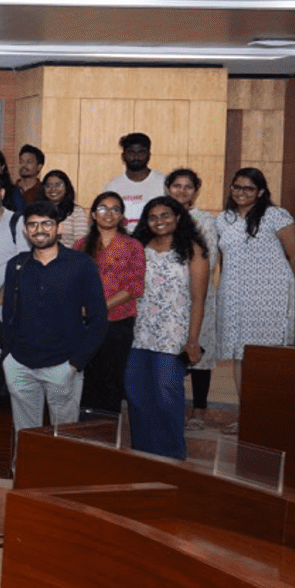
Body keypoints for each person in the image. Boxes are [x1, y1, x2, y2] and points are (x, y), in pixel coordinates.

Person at [0, 201, 110, 430]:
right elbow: (9, 314)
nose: (39, 229)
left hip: (62, 366)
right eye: (33, 224)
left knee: (63, 440)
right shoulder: (16, 265)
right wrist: (8, 358)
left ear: (58, 228)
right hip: (20, 367)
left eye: (47, 223)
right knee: (26, 437)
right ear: (25, 230)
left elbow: (98, 318)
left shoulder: (81, 264)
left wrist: (75, 364)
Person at [210, 166, 295, 414]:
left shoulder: (276, 215)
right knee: (240, 354)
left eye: (248, 188)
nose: (241, 192)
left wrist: (288, 294)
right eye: (236, 187)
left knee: (265, 353)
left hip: (270, 295)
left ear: (260, 192)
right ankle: (246, 413)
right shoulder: (223, 219)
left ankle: (268, 414)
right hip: (235, 294)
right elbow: (219, 259)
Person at [126, 197, 209, 459]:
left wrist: (192, 341)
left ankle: (172, 457)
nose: (159, 221)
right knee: (137, 395)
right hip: (138, 334)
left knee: (166, 397)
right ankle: (142, 453)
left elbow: (198, 299)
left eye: (165, 215)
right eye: (153, 217)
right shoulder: (138, 247)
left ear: (178, 218)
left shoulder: (192, 250)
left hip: (172, 336)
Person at [79, 191, 142, 417]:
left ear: (122, 217)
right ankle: (84, 431)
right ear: (94, 214)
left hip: (118, 323)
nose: (109, 213)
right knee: (86, 379)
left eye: (115, 209)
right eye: (103, 208)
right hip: (85, 324)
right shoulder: (80, 245)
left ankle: (107, 435)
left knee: (112, 380)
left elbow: (134, 287)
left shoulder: (133, 246)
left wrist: (98, 307)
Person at [162, 168, 217, 424]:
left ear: (195, 191)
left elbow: (209, 257)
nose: (181, 191)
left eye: (188, 187)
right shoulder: (160, 216)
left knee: (198, 352)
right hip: (167, 296)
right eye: (176, 186)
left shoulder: (203, 220)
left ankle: (199, 409)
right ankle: (172, 406)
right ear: (167, 188)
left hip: (197, 292)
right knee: (171, 352)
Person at [101, 132, 166, 219]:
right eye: (131, 152)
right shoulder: (112, 187)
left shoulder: (164, 183)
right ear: (123, 156)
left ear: (149, 155)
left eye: (141, 152)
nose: (136, 157)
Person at [39, 170, 89, 249]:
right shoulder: (37, 212)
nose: (53, 189)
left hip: (70, 257)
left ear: (66, 187)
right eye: (48, 185)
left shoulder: (76, 212)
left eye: (58, 185)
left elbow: (81, 243)